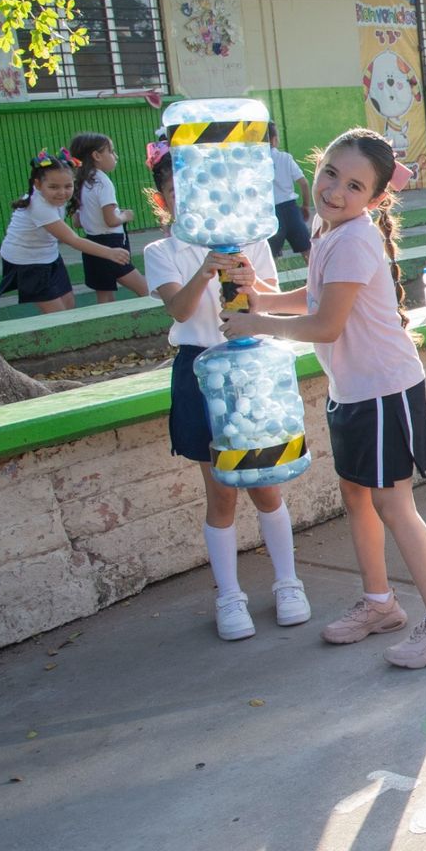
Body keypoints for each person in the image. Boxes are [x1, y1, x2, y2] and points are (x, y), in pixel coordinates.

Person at [224, 129, 426, 669]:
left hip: (384, 390)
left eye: (354, 185)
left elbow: (326, 323)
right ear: (317, 166)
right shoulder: (330, 230)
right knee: (358, 497)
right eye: (331, 174)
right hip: (354, 391)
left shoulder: (356, 237)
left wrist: (255, 321)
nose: (336, 190)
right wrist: (261, 295)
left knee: (393, 505)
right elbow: (318, 295)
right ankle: (380, 604)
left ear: (376, 198)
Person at [140, 141, 307, 641]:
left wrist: (247, 277)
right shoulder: (161, 251)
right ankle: (229, 596)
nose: (185, 198)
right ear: (164, 199)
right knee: (220, 493)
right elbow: (181, 311)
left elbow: (268, 304)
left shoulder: (249, 240)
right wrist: (206, 269)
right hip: (199, 371)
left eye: (192, 188)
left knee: (266, 483)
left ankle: (288, 583)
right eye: (173, 190)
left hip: (250, 366)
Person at [0, 150, 131, 314]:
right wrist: (109, 252)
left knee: (69, 305)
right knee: (58, 315)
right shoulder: (38, 206)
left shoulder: (55, 199)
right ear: (38, 185)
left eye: (68, 186)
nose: (62, 192)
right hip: (27, 262)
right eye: (53, 187)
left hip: (49, 256)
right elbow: (72, 239)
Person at [68, 132, 148, 303]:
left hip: (91, 245)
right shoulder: (103, 182)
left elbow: (77, 222)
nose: (115, 156)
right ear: (96, 156)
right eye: (111, 151)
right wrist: (125, 216)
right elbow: (111, 220)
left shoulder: (80, 182)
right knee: (147, 291)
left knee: (104, 297)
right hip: (111, 245)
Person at [266, 125, 312, 261]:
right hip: (291, 209)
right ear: (274, 140)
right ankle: (317, 279)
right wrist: (305, 206)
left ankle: (271, 281)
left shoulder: (257, 162)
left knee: (270, 256)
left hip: (271, 212)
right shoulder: (285, 158)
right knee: (307, 250)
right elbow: (304, 183)